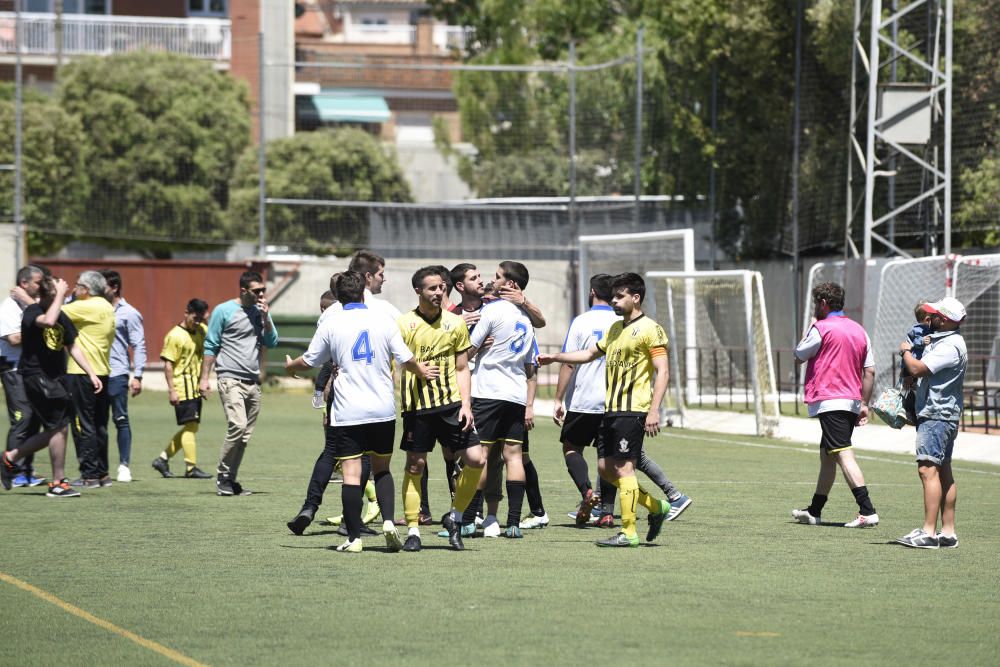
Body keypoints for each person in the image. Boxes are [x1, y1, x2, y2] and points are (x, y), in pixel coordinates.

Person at [285, 271, 438, 552]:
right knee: (382, 469)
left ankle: (354, 539)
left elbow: (310, 360)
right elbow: (405, 358)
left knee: (352, 475)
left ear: (338, 296)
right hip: (383, 409)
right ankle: (390, 523)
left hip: (349, 410)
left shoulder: (332, 321)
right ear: (363, 291)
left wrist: (290, 366)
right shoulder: (383, 319)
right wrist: (423, 370)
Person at [538, 272, 672, 548]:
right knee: (606, 468)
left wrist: (654, 410)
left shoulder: (650, 329)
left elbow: (663, 371)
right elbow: (587, 355)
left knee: (623, 470)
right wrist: (555, 357)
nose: (614, 300)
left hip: (632, 410)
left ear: (636, 298)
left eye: (620, 295)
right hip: (610, 411)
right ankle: (657, 507)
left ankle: (629, 532)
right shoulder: (615, 329)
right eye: (613, 295)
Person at [397, 266, 487, 551]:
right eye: (432, 288)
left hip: (451, 406)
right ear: (418, 292)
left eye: (441, 287)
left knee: (476, 459)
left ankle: (455, 518)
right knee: (415, 465)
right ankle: (413, 530)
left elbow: (463, 368)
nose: (439, 292)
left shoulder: (455, 323)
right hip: (417, 408)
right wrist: (415, 368)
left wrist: (466, 405)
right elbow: (396, 364)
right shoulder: (403, 324)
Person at [1, 275, 103, 497]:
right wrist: (59, 295)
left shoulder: (62, 316)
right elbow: (47, 321)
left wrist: (91, 372)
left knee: (57, 428)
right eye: (54, 295)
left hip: (56, 378)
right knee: (59, 427)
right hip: (36, 376)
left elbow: (73, 346)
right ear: (45, 296)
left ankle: (10, 458)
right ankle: (57, 483)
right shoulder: (33, 312)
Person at [792, 282, 878, 528]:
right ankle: (814, 511)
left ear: (822, 303)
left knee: (842, 453)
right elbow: (869, 371)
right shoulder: (860, 330)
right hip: (850, 401)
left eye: (815, 303)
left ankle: (867, 510)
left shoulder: (821, 328)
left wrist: (810, 326)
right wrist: (864, 403)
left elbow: (798, 355)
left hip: (831, 401)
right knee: (827, 457)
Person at [465, 262, 537, 539]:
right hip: (516, 394)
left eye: (497, 277)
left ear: (511, 284)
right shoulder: (526, 319)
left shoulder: (492, 311)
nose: (492, 281)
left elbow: (470, 350)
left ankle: (470, 519)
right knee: (514, 456)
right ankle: (514, 523)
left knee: (480, 457)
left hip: (488, 392)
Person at [895, 297, 967, 549]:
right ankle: (947, 532)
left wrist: (905, 350)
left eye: (934, 315)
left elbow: (917, 369)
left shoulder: (950, 346)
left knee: (928, 470)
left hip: (937, 414)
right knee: (943, 471)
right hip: (942, 414)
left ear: (945, 320)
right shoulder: (947, 340)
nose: (929, 318)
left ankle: (928, 532)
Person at [200, 270, 279, 496]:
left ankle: (231, 481)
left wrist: (265, 318)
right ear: (243, 290)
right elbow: (210, 345)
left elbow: (272, 342)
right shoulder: (223, 311)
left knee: (244, 436)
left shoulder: (261, 311)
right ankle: (222, 477)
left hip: (252, 382)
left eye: (263, 290)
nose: (262, 294)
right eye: (257, 291)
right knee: (238, 425)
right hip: (229, 378)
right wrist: (204, 378)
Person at [62, 270, 115, 488]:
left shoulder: (85, 306)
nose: (74, 290)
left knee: (82, 424)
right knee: (99, 424)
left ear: (85, 290)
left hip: (81, 372)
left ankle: (89, 475)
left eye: (77, 286)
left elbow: (50, 312)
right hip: (102, 370)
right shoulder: (106, 306)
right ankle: (102, 473)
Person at [152, 299, 212, 480]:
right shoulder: (175, 335)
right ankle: (191, 468)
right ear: (186, 313)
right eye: (195, 317)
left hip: (195, 387)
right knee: (191, 426)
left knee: (191, 426)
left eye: (201, 318)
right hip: (182, 387)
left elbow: (212, 344)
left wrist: (205, 380)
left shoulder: (202, 329)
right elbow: (168, 365)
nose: (198, 321)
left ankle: (162, 459)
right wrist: (171, 390)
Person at [99, 269, 147, 483]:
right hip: (94, 372)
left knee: (120, 419)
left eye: (102, 285)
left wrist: (138, 375)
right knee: (96, 422)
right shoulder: (93, 309)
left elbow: (138, 344)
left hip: (117, 373)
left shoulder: (130, 313)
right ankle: (99, 469)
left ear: (114, 287)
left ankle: (124, 465)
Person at [1, 265, 45, 487]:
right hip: (13, 369)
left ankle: (27, 471)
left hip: (31, 369)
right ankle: (11, 470)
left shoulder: (35, 306)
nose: (42, 286)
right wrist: (40, 330)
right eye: (38, 282)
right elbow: (14, 339)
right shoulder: (8, 307)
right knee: (23, 417)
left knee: (35, 417)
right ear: (24, 284)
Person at [900, 302, 931, 424]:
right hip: (914, 364)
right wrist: (922, 341)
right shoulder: (918, 329)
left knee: (916, 391)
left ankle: (911, 413)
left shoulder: (931, 329)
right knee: (911, 390)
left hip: (920, 365)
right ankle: (908, 413)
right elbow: (911, 343)